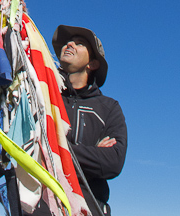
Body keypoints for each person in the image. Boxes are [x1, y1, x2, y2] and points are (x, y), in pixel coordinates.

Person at [51, 24, 127, 216]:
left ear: (92, 64)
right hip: (43, 208)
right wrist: (92, 154)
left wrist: (54, 151)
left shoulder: (108, 108)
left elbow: (113, 162)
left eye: (80, 43)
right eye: (68, 42)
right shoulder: (45, 97)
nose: (70, 44)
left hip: (89, 209)